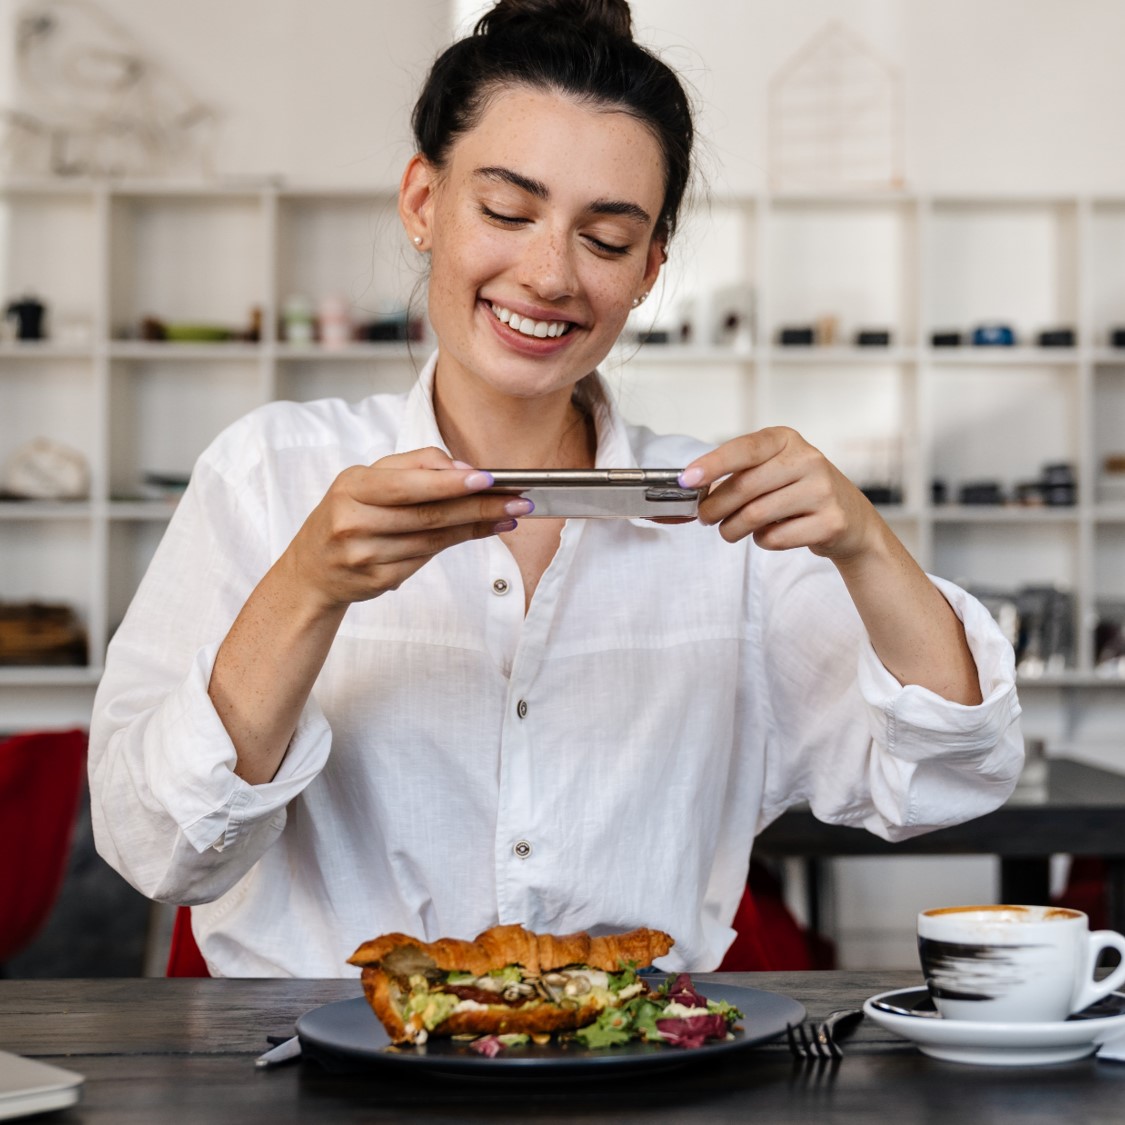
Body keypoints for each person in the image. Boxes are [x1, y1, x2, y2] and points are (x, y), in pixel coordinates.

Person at [89, 0, 1023, 976]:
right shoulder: (269, 473)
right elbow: (158, 846)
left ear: (651, 269)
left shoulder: (721, 520)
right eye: (505, 211)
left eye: (608, 240)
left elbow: (950, 779)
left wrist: (866, 546)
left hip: (640, 1077)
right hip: (329, 1080)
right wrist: (306, 590)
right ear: (423, 203)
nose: (549, 274)